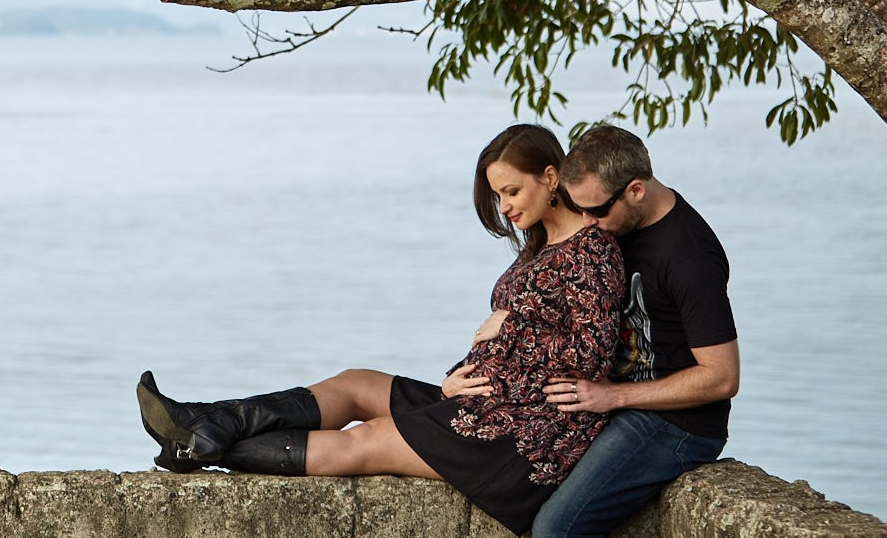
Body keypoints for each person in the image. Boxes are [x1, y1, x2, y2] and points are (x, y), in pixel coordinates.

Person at [137, 123, 623, 537]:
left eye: (511, 192)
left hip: (525, 436)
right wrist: (458, 375)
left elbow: (590, 355)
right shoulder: (537, 247)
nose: (504, 208)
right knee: (355, 383)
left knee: (363, 440)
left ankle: (199, 442)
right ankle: (207, 420)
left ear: (551, 176)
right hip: (487, 403)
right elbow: (497, 342)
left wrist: (512, 325)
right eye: (498, 196)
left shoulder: (593, 251)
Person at [529, 124, 739, 538]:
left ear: (636, 190)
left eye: (598, 210)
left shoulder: (689, 256)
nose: (588, 222)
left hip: (674, 425)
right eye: (580, 208)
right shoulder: (615, 222)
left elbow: (723, 377)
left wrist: (614, 395)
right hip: (613, 400)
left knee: (556, 529)